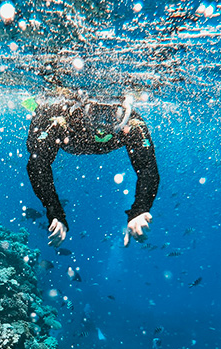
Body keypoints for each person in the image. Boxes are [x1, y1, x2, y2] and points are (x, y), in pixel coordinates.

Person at [26, 91, 160, 247]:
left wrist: (140, 209)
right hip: (60, 130)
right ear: (83, 108)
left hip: (71, 139)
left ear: (124, 111)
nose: (101, 124)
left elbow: (147, 168)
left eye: (112, 113)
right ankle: (36, 104)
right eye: (94, 112)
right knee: (34, 144)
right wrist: (55, 212)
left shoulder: (132, 124)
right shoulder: (61, 118)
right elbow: (37, 163)